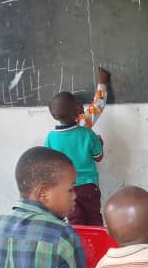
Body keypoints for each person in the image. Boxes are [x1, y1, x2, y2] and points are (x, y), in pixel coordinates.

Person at [44, 67, 111, 226]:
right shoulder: (86, 130)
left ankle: (78, 242)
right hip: (88, 186)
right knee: (95, 220)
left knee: (76, 223)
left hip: (66, 187)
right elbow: (98, 156)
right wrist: (102, 83)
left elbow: (48, 163)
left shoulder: (51, 137)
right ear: (78, 110)